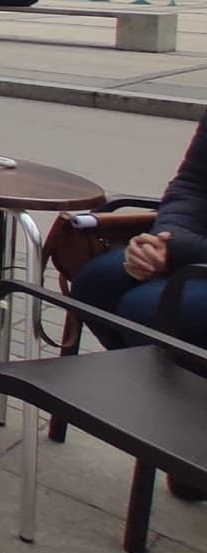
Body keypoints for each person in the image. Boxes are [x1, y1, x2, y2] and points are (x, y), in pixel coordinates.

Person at [72, 109, 207, 499]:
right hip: (192, 251)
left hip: (194, 257)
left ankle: (185, 439)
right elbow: (193, 185)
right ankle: (182, 425)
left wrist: (179, 249)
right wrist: (164, 239)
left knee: (149, 307)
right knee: (95, 284)